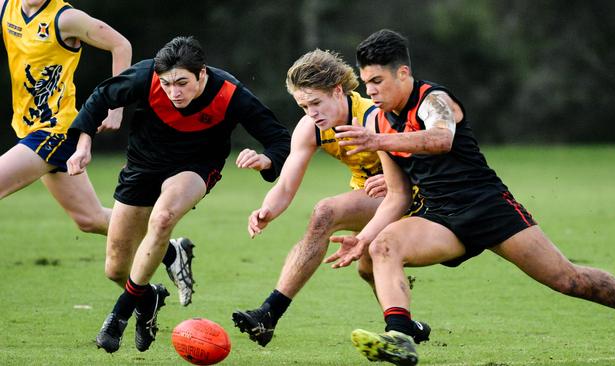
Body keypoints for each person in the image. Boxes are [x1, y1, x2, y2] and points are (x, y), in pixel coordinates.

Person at [325, 29, 615, 366]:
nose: (371, 91)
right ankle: (400, 338)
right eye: (366, 83)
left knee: (568, 280)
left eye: (377, 80)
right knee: (383, 245)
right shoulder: (378, 121)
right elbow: (397, 195)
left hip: (489, 207)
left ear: (403, 72)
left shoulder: (434, 99)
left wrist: (379, 143)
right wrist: (362, 238)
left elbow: (440, 139)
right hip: (441, 217)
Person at [66, 36, 291, 353]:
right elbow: (101, 97)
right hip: (143, 164)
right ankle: (149, 300)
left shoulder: (230, 93)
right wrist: (83, 145)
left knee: (163, 218)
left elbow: (280, 139)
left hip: (195, 167)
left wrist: (266, 160)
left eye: (183, 83)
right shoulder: (146, 76)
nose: (174, 92)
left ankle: (120, 313)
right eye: (168, 84)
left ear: (202, 74)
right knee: (116, 268)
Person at [0, 0, 195, 309]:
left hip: (54, 132)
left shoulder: (66, 18)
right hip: (28, 129)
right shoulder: (6, 9)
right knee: (89, 219)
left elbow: (121, 45)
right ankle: (169, 254)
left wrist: (116, 106)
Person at [232, 49, 431, 347]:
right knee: (366, 268)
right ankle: (406, 328)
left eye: (316, 103)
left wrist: (400, 177)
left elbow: (428, 158)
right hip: (369, 198)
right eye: (303, 106)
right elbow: (286, 184)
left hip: (413, 197)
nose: (311, 112)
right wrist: (267, 210)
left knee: (326, 211)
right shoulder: (311, 128)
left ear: (338, 91)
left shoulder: (374, 116)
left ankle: (268, 313)